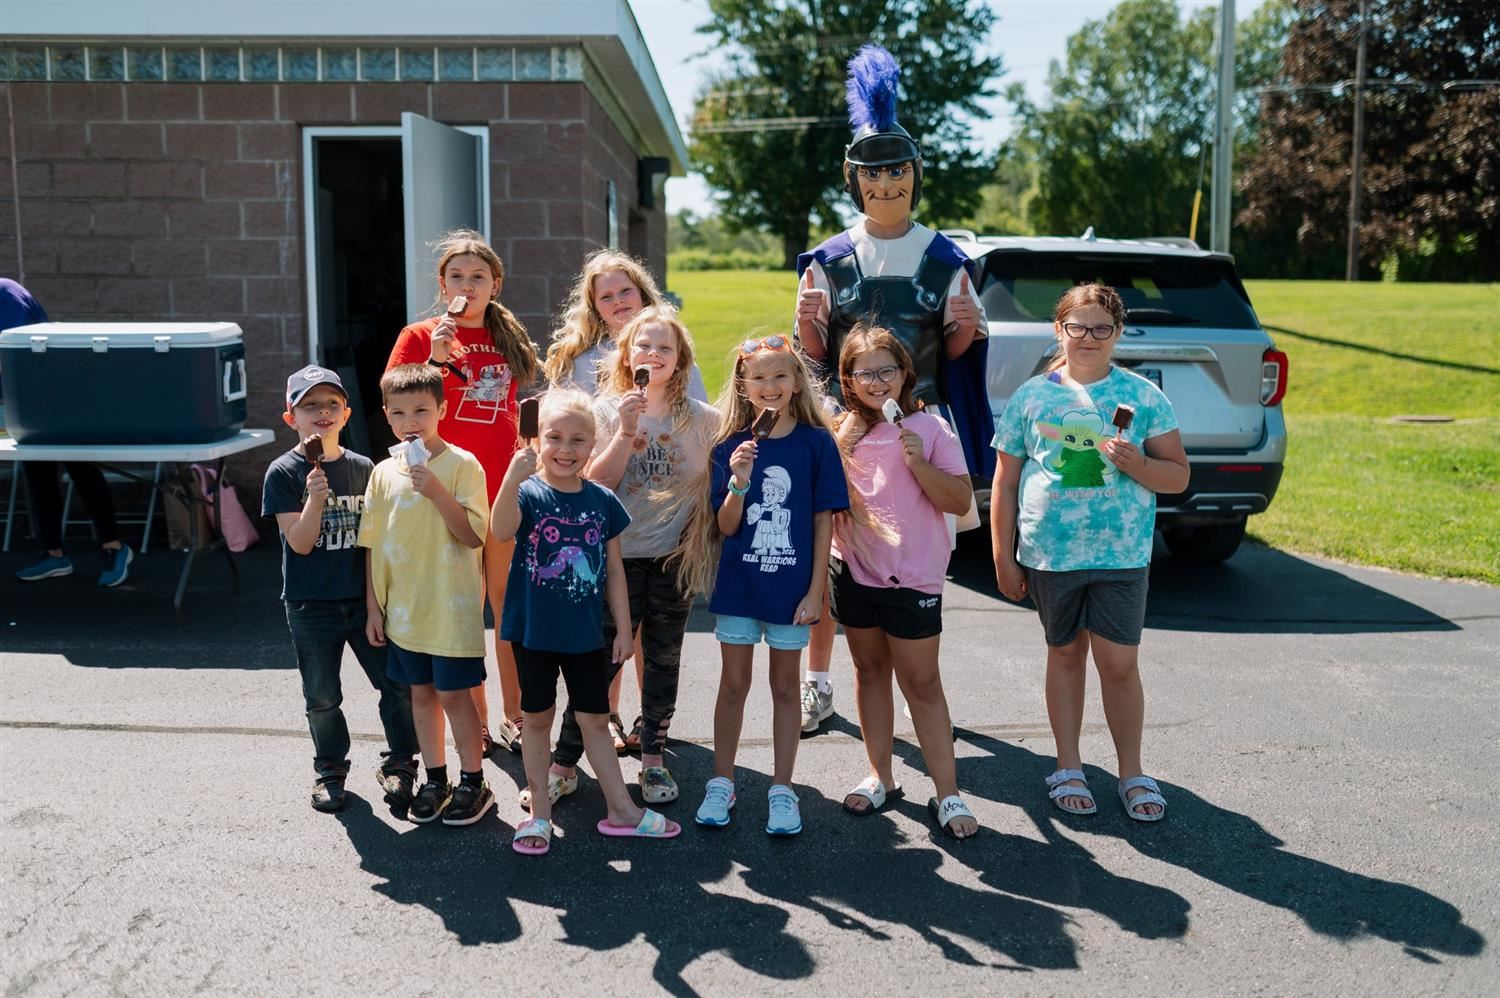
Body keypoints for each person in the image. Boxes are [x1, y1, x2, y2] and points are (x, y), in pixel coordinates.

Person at [791, 45, 992, 733]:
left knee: (916, 558)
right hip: (848, 431)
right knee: (833, 546)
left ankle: (920, 684)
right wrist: (809, 331)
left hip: (921, 425)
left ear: (914, 176)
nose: (886, 185)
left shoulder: (947, 260)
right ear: (857, 181)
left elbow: (957, 355)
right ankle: (822, 680)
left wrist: (964, 330)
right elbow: (813, 358)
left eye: (896, 172)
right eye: (873, 175)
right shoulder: (828, 260)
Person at [991, 285, 1189, 822]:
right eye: (1077, 326)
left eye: (1102, 327)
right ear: (1059, 330)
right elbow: (1005, 482)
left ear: (1118, 334)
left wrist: (1138, 465)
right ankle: (1069, 765)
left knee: (1119, 663)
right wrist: (1004, 556)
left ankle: (1131, 772)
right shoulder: (1033, 397)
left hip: (1122, 553)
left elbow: (1177, 475)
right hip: (1051, 554)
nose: (1088, 337)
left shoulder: (1144, 397)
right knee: (1065, 654)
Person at [540, 307, 717, 811]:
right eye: (643, 346)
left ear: (680, 357)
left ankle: (653, 758)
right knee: (597, 663)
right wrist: (624, 430)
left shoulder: (703, 420)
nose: (653, 355)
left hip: (671, 560)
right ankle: (563, 763)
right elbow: (593, 486)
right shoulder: (604, 412)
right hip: (613, 559)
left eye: (664, 347)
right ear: (626, 354)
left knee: (663, 661)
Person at [491, 388, 682, 855]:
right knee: (536, 719)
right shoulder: (530, 493)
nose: (565, 449)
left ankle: (622, 810)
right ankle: (539, 815)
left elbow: (614, 569)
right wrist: (509, 482)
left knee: (595, 719)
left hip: (584, 633)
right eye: (554, 437)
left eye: (578, 440)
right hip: (534, 631)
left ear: (593, 446)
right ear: (538, 440)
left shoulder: (601, 500)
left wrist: (622, 626)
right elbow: (498, 530)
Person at [675, 335, 848, 836]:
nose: (770, 387)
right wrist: (739, 480)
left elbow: (823, 524)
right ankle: (722, 781)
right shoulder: (730, 446)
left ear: (796, 383)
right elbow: (726, 526)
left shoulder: (817, 443)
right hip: (741, 585)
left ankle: (782, 788)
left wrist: (816, 591)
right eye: (759, 378)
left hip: (792, 589)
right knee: (733, 685)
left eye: (779, 376)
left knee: (784, 687)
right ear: (744, 386)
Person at [387, 231, 540, 757]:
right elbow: (401, 406)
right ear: (442, 283)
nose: (467, 286)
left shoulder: (510, 337)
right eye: (457, 277)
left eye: (478, 277)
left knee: (508, 608)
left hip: (504, 491)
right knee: (462, 610)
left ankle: (515, 715)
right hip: (445, 493)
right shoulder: (420, 335)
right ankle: (472, 720)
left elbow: (519, 408)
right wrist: (437, 358)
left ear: (495, 284)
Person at [829, 327, 978, 838]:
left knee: (921, 683)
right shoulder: (843, 432)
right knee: (869, 673)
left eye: (886, 370)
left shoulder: (930, 428)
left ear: (905, 372)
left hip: (913, 577)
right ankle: (880, 776)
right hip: (854, 571)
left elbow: (958, 501)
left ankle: (949, 793)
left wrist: (917, 462)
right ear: (848, 380)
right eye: (863, 372)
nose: (876, 382)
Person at [262, 365, 418, 813]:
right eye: (310, 406)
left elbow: (375, 543)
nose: (322, 412)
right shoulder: (283, 473)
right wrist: (314, 497)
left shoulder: (363, 468)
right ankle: (330, 770)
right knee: (322, 695)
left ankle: (402, 763)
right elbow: (301, 542)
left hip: (361, 597)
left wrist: (376, 606)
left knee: (396, 685)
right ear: (291, 417)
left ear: (347, 414)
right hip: (311, 604)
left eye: (332, 404)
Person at [359, 364, 492, 826]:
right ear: (386, 416)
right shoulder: (382, 473)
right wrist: (374, 606)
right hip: (405, 611)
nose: (410, 420)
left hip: (450, 608)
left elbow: (474, 535)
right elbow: (372, 545)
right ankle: (436, 777)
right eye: (399, 412)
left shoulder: (462, 465)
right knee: (422, 695)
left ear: (442, 409)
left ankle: (474, 779)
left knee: (456, 696)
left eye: (420, 409)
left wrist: (436, 491)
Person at [3, 279, 133, 588]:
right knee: (36, 473)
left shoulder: (6, 295)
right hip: (23, 403)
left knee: (80, 466)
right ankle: (53, 555)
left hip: (58, 396)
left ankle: (115, 548)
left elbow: (11, 355)